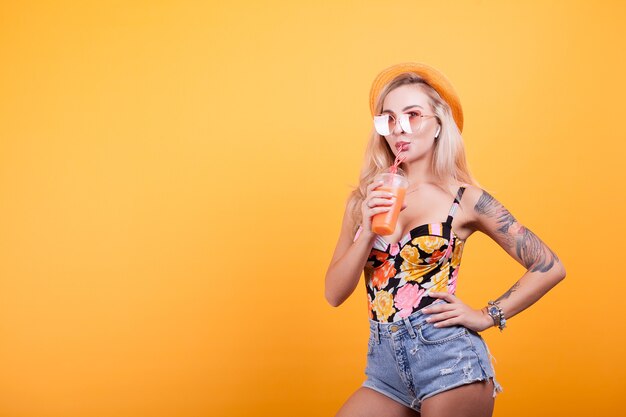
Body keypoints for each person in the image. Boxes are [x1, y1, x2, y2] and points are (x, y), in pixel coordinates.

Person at [324, 62, 566, 417]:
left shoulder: (466, 200)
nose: (398, 129)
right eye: (388, 119)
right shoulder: (365, 199)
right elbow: (333, 294)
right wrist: (367, 231)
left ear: (439, 123)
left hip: (448, 360)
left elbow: (549, 267)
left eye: (412, 115)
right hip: (383, 367)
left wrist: (488, 315)